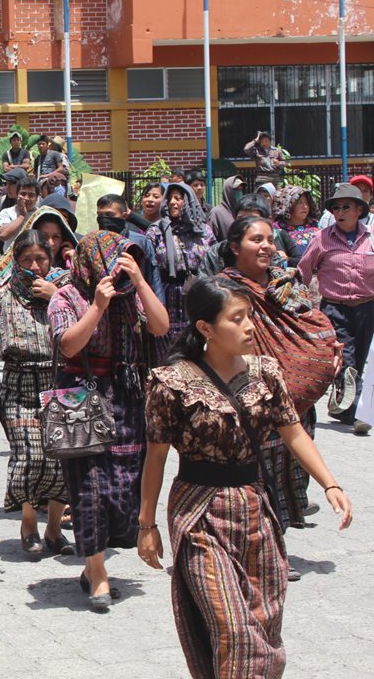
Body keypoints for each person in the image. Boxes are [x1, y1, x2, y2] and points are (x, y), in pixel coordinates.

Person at [138, 277, 353, 678]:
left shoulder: (266, 373)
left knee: (263, 621)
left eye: (249, 316)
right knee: (232, 627)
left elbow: (293, 431)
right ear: (205, 329)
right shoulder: (170, 382)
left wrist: (331, 483)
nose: (250, 326)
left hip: (255, 509)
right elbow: (155, 457)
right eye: (237, 319)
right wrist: (146, 524)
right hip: (199, 513)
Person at [48, 231, 170, 610]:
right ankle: (97, 571)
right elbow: (68, 344)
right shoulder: (65, 295)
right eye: (115, 258)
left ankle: (97, 560)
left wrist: (140, 281)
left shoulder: (130, 296)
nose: (118, 266)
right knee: (88, 488)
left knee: (124, 486)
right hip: (82, 397)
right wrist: (97, 307)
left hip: (125, 395)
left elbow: (161, 327)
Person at [0, 230, 73, 555]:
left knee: (61, 460)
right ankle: (29, 523)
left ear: (51, 260)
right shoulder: (1, 299)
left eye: (41, 259)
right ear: (15, 262)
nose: (34, 266)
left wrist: (56, 298)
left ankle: (54, 531)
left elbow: (87, 325)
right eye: (26, 260)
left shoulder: (65, 292)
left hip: (58, 384)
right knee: (29, 458)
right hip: (18, 385)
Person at [220, 216, 340, 536]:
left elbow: (308, 326)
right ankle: (259, 546)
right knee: (258, 474)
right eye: (256, 240)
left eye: (271, 240)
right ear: (234, 247)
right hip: (249, 397)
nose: (267, 246)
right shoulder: (223, 289)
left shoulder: (286, 282)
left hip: (293, 399)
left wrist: (328, 346)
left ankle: (276, 541)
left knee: (286, 472)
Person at [297, 183, 374, 434]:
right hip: (335, 309)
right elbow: (303, 270)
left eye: (346, 207)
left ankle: (341, 404)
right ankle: (356, 414)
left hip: (366, 308)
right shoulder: (322, 238)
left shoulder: (371, 237)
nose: (340, 212)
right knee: (347, 358)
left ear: (359, 210)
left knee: (359, 360)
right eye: (337, 208)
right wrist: (299, 304)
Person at [147, 182, 215, 362]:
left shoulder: (204, 231)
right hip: (166, 293)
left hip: (196, 293)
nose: (172, 203)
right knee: (167, 350)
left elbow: (213, 262)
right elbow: (149, 266)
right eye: (169, 198)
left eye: (178, 198)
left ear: (189, 201)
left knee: (196, 345)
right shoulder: (156, 231)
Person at [271, 185, 320, 267]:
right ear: (288, 204)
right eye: (299, 203)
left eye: (306, 203)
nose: (305, 206)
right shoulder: (277, 229)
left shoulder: (315, 226)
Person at [0, 176, 40, 251]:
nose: (26, 198)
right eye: (23, 194)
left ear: (37, 198)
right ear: (16, 195)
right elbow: (3, 235)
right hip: (11, 261)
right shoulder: (7, 212)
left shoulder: (41, 214)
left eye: (31, 195)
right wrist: (21, 216)